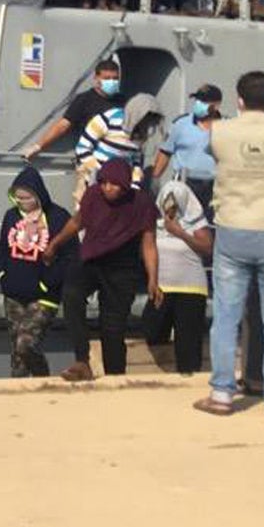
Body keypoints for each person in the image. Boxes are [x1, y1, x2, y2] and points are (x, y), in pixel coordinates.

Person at [199, 69, 264, 420]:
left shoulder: (221, 131)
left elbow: (217, 160)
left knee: (227, 316)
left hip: (233, 229)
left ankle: (221, 394)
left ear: (239, 100)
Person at [43, 157, 158, 380]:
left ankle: (116, 377)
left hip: (123, 268)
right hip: (91, 258)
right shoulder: (93, 195)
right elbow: (77, 222)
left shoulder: (141, 203)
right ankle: (81, 361)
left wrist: (153, 278)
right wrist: (55, 244)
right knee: (72, 295)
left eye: (114, 184)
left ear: (125, 185)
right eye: (104, 182)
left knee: (112, 327)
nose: (108, 188)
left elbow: (149, 243)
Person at [0, 167, 68, 378]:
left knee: (25, 343)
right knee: (17, 353)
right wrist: (1, 274)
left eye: (26, 198)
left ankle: (43, 376)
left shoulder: (58, 218)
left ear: (37, 195)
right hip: (13, 292)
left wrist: (48, 282)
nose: (21, 202)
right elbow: (2, 248)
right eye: (17, 198)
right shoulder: (10, 216)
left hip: (44, 296)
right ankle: (19, 391)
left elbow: (69, 256)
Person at [147, 177, 213, 374]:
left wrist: (180, 232)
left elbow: (207, 248)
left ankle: (189, 379)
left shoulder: (195, 222)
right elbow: (147, 247)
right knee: (152, 328)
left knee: (188, 342)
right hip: (162, 286)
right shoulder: (153, 221)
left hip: (190, 287)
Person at [21, 58, 124, 164]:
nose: (112, 82)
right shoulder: (84, 100)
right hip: (90, 161)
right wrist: (38, 146)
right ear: (96, 78)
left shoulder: (122, 101)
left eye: (115, 78)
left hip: (117, 162)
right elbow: (64, 125)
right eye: (107, 78)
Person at [150, 84, 221, 211]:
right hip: (184, 183)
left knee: (210, 226)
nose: (199, 104)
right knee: (175, 221)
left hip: (214, 187)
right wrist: (155, 179)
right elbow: (165, 152)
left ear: (216, 105)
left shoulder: (226, 126)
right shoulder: (181, 124)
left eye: (204, 101)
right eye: (197, 100)